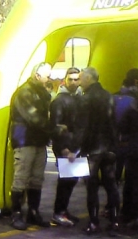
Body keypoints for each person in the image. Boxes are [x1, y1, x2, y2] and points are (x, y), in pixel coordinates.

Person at [9, 62, 63, 230]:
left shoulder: (42, 92)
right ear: (37, 76)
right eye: (47, 76)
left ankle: (33, 212)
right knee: (21, 177)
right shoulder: (24, 93)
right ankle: (16, 214)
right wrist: (54, 129)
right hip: (25, 139)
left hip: (39, 140)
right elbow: (33, 118)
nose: (50, 78)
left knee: (37, 178)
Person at [75, 67, 119, 234]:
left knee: (91, 186)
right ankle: (114, 221)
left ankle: (94, 222)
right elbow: (113, 122)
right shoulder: (108, 95)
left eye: (81, 79)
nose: (79, 82)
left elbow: (83, 127)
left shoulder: (86, 98)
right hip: (109, 147)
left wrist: (76, 148)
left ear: (88, 78)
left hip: (92, 148)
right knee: (111, 184)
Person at [50, 67, 81, 227]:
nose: (73, 82)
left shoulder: (80, 98)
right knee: (66, 180)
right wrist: (64, 148)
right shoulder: (59, 101)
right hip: (65, 146)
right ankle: (59, 212)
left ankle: (63, 210)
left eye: (76, 79)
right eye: (71, 79)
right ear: (65, 80)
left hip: (76, 146)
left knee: (72, 180)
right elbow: (56, 127)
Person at [117, 82, 138, 229]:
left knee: (133, 184)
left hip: (135, 151)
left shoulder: (134, 106)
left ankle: (131, 215)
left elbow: (122, 127)